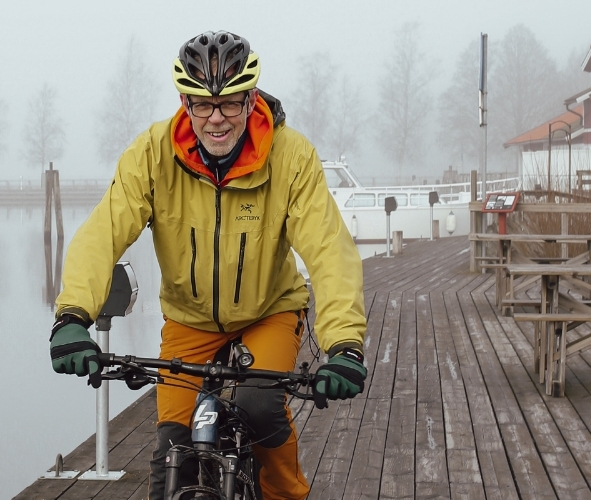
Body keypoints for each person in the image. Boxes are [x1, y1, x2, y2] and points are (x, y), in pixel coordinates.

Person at [48, 30, 367, 500]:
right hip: (190, 321)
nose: (216, 118)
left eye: (230, 104)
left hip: (270, 311)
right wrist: (72, 316)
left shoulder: (290, 155)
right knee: (169, 453)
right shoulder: (152, 153)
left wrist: (345, 345)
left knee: (260, 407)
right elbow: (103, 233)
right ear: (184, 102)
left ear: (251, 98)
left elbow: (328, 249)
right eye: (202, 104)